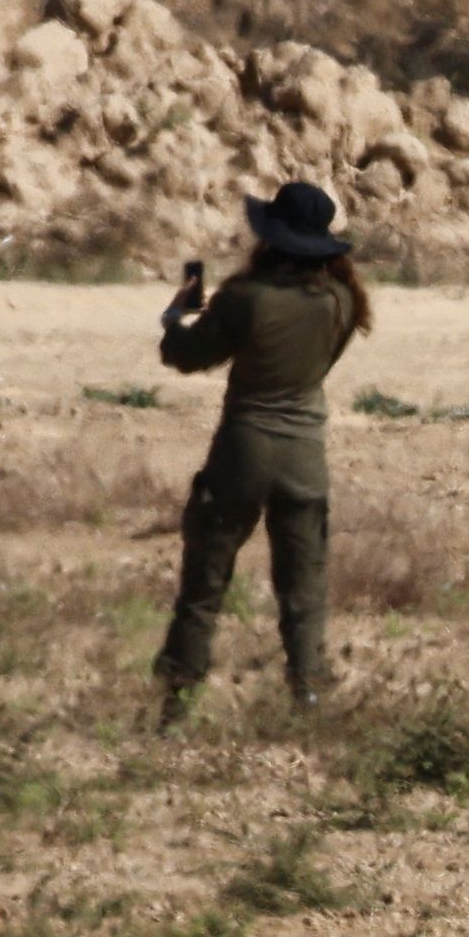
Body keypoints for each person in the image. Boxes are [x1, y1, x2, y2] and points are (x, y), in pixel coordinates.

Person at [151, 180, 371, 725]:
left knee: (205, 582)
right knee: (304, 590)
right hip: (304, 456)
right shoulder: (343, 302)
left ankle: (176, 705)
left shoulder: (246, 297)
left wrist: (175, 318)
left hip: (242, 450)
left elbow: (186, 356)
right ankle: (308, 700)